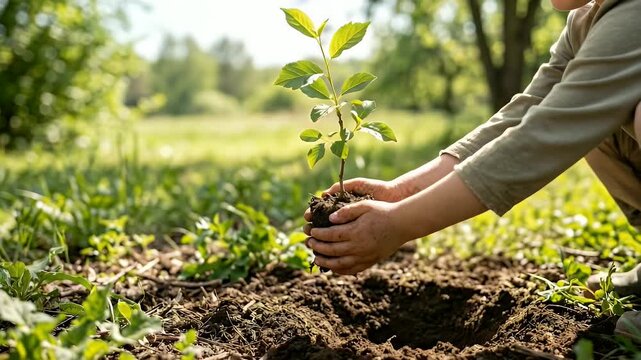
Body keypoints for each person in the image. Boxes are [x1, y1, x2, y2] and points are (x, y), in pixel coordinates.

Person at [303, 0, 641, 338]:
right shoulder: (589, 19)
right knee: (597, 103)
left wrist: (398, 223)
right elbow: (527, 112)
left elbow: (545, 135)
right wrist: (399, 193)